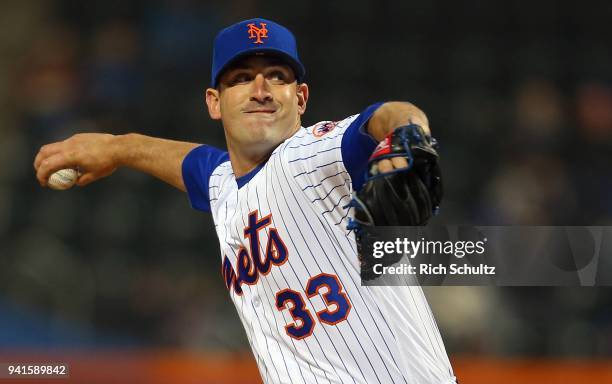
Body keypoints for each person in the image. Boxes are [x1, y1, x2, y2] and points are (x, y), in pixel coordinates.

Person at [34, 18, 457, 384]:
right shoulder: (223, 185)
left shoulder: (309, 155)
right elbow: (196, 165)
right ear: (214, 103)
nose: (260, 89)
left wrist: (410, 135)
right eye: (240, 78)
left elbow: (388, 114)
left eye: (276, 75)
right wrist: (118, 147)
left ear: (301, 98)